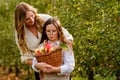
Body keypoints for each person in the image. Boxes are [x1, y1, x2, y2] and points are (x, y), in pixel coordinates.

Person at [14, 2, 74, 80]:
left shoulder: (45, 19)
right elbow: (26, 57)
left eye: (32, 16)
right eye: (27, 19)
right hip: (41, 70)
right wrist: (38, 66)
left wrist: (66, 54)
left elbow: (66, 37)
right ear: (21, 21)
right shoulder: (20, 33)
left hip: (60, 66)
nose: (32, 20)